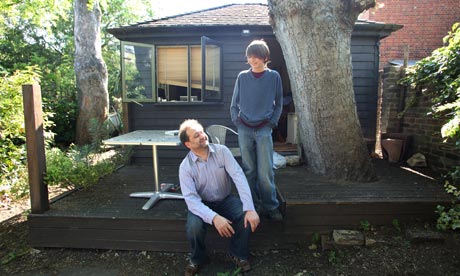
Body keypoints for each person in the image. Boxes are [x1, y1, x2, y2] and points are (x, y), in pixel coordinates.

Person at [178, 119, 260, 276]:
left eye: (202, 131)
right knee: (194, 227)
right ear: (188, 144)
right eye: (196, 135)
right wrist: (215, 218)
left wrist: (250, 207)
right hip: (201, 205)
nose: (203, 136)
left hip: (225, 200)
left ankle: (237, 253)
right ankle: (198, 258)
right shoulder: (185, 167)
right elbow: (191, 201)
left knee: (245, 215)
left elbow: (239, 177)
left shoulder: (222, 151)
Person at [230, 39, 284, 221]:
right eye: (250, 57)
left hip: (263, 129)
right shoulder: (242, 77)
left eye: (257, 57)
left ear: (265, 57)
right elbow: (233, 104)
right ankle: (253, 206)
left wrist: (271, 123)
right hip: (244, 129)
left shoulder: (274, 76)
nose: (253, 60)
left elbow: (279, 103)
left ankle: (271, 206)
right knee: (249, 170)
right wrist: (237, 122)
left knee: (265, 171)